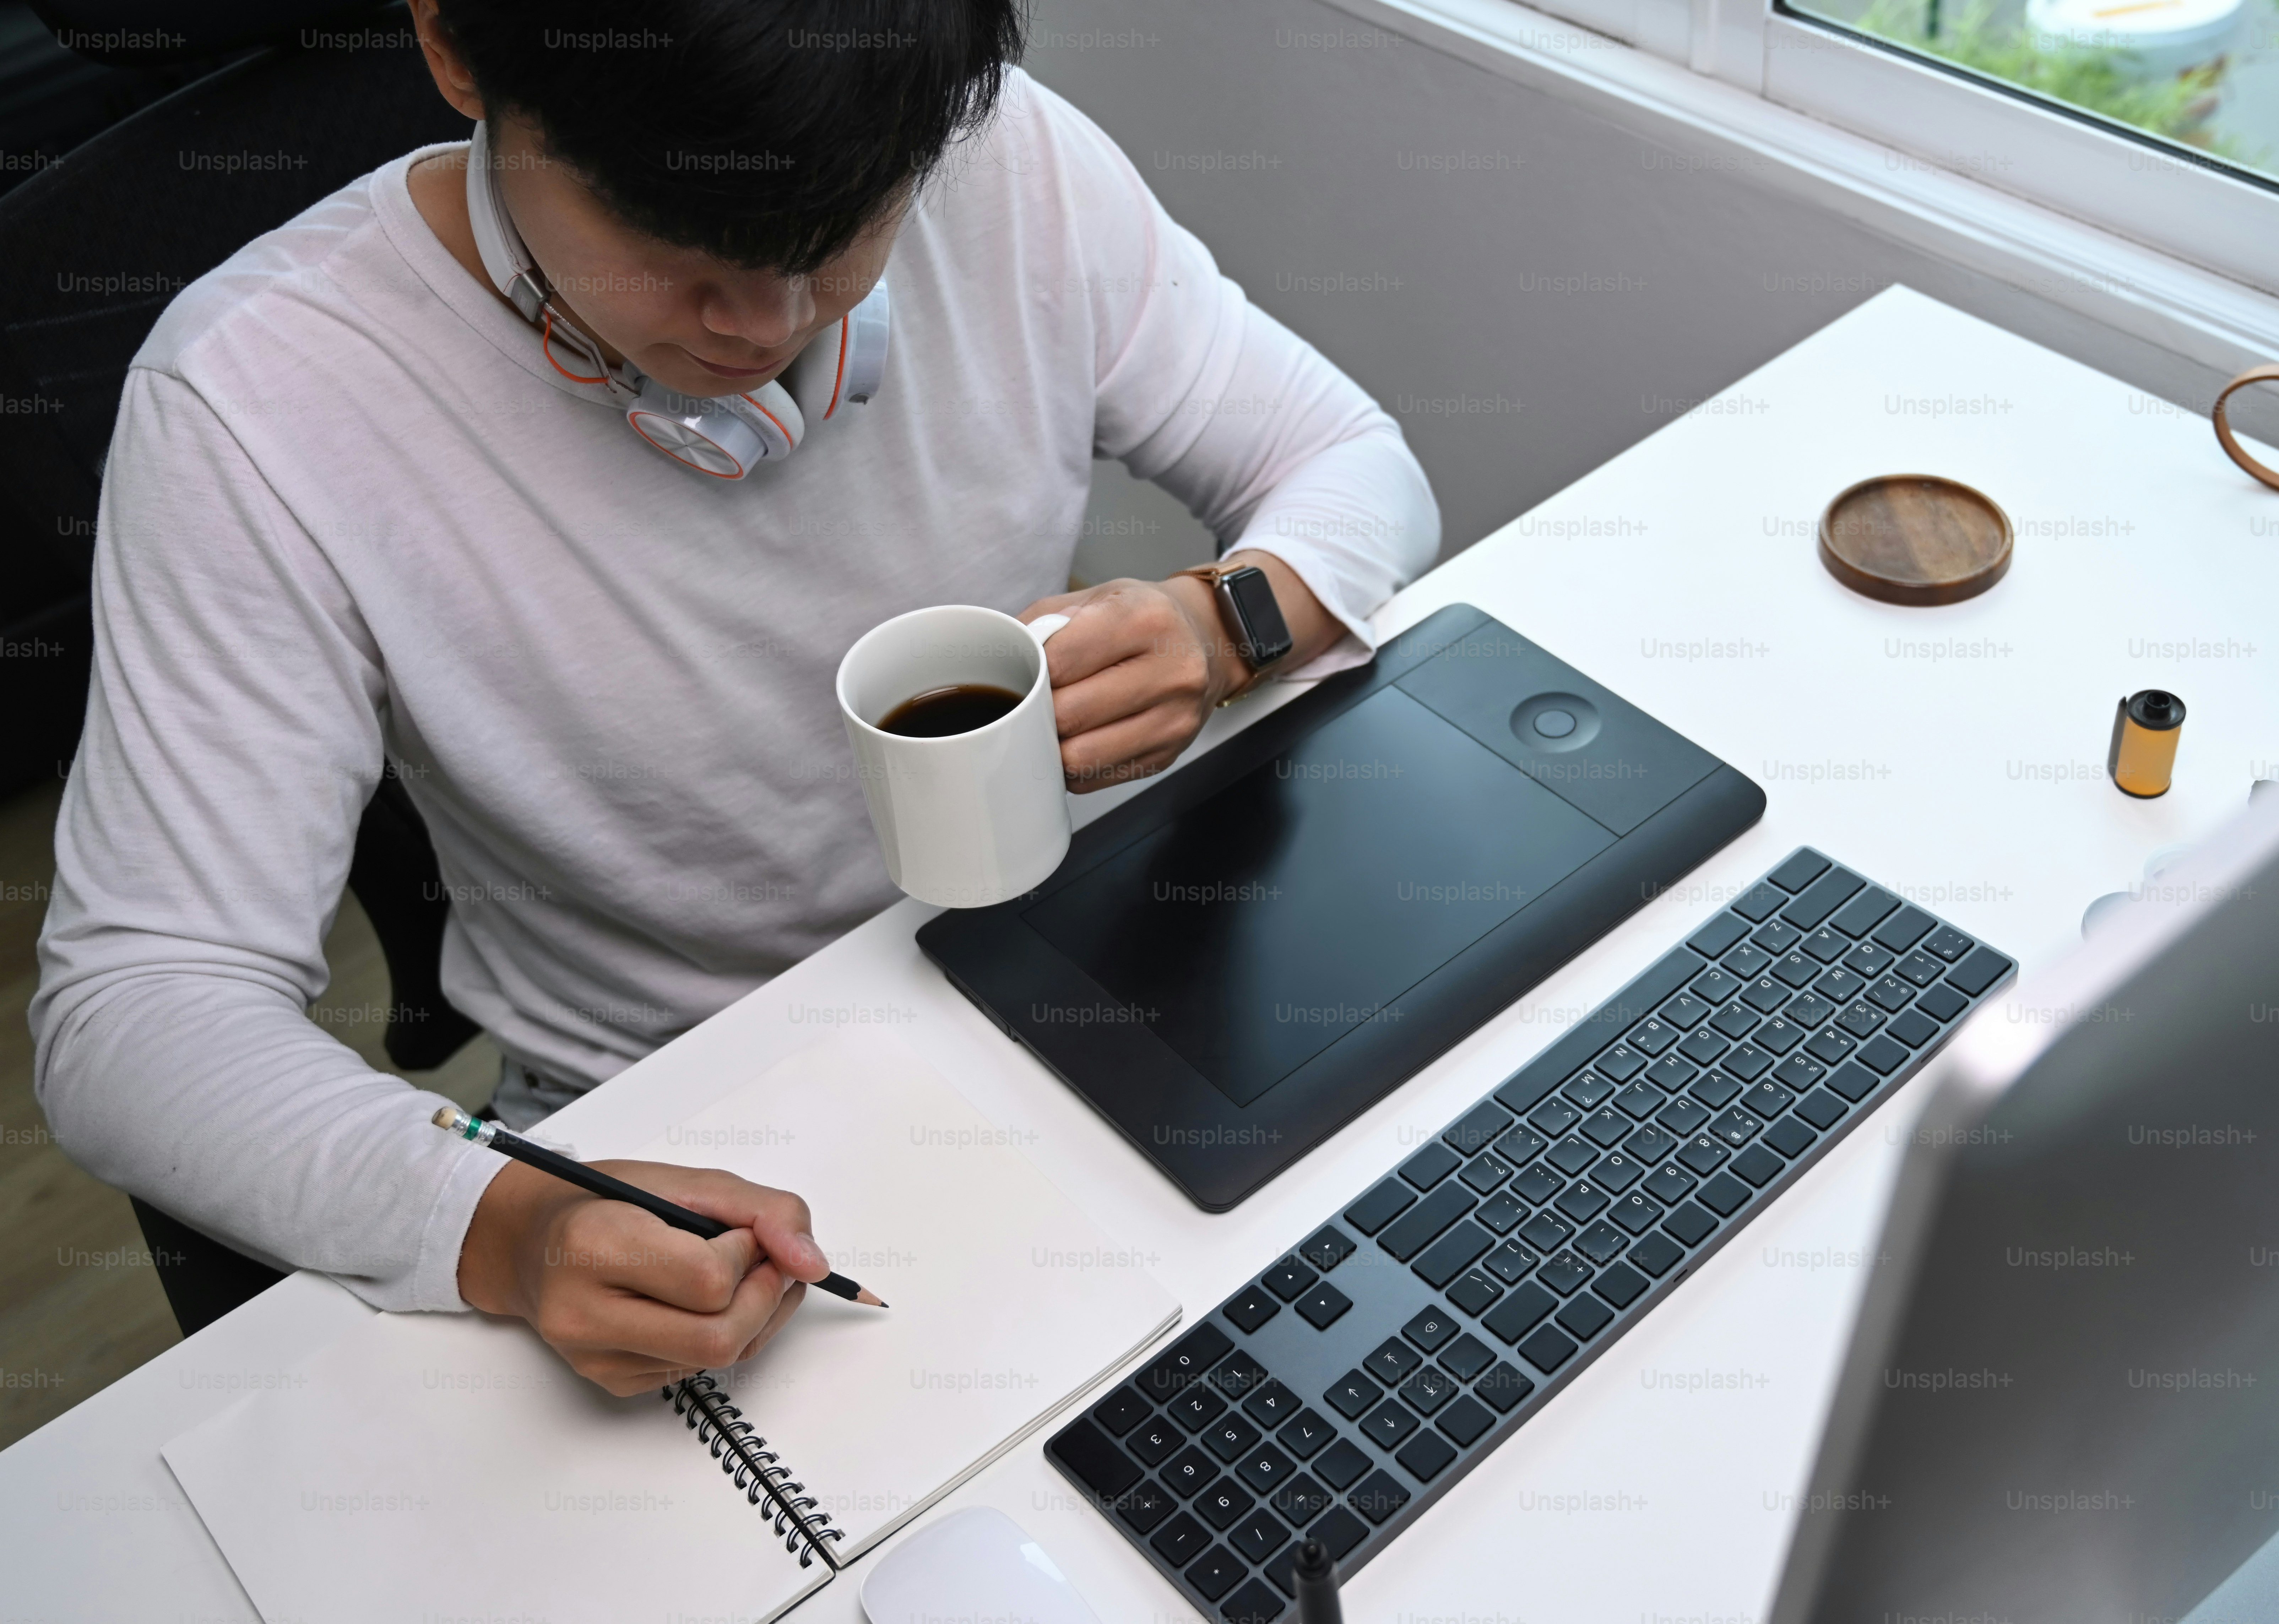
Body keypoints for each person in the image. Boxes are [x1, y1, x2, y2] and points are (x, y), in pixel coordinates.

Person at [29, 0, 1437, 1395]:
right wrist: (505, 1224)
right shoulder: (256, 399)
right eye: (673, 250)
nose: (762, 330)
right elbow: (143, 1009)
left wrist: (1226, 619)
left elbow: (1349, 458)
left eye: (838, 245)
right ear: (454, 46)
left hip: (1085, 990)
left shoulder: (993, 155)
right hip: (683, 1127)